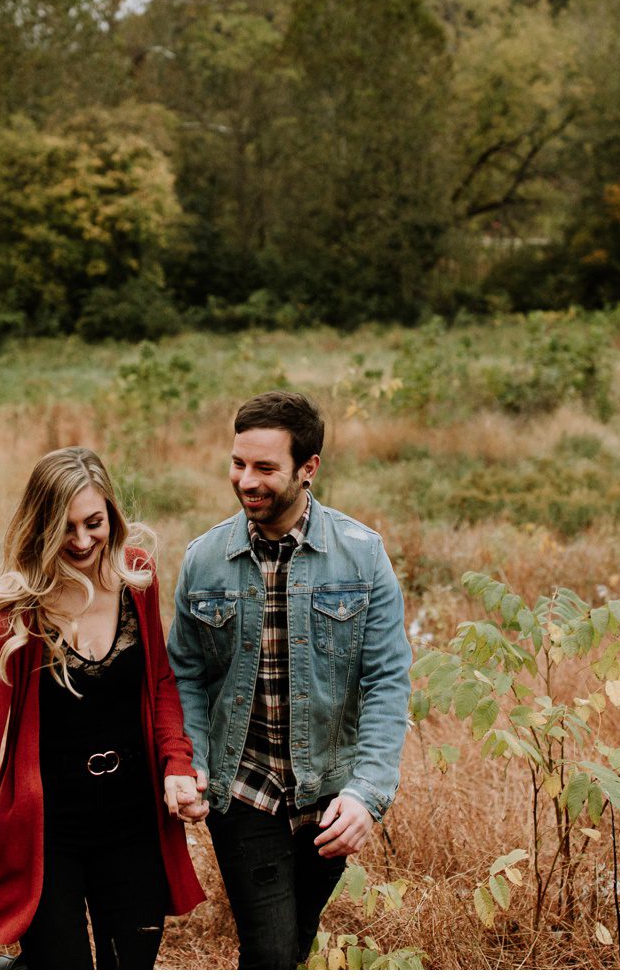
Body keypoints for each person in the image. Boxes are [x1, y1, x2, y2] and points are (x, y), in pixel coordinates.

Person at [167, 391, 412, 969]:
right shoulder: (203, 560)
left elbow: (387, 679)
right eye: (237, 463)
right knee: (271, 950)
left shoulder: (361, 555)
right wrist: (192, 761)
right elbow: (186, 675)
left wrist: (366, 793)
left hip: (331, 790)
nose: (245, 481)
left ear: (308, 469)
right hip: (244, 785)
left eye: (265, 468)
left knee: (296, 938)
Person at [0, 446, 208, 968]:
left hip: (133, 820)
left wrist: (177, 761)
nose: (83, 542)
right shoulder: (12, 616)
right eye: (66, 529)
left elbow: (157, 682)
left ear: (111, 513)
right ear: (40, 527)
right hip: (49, 836)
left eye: (94, 522)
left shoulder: (136, 577)